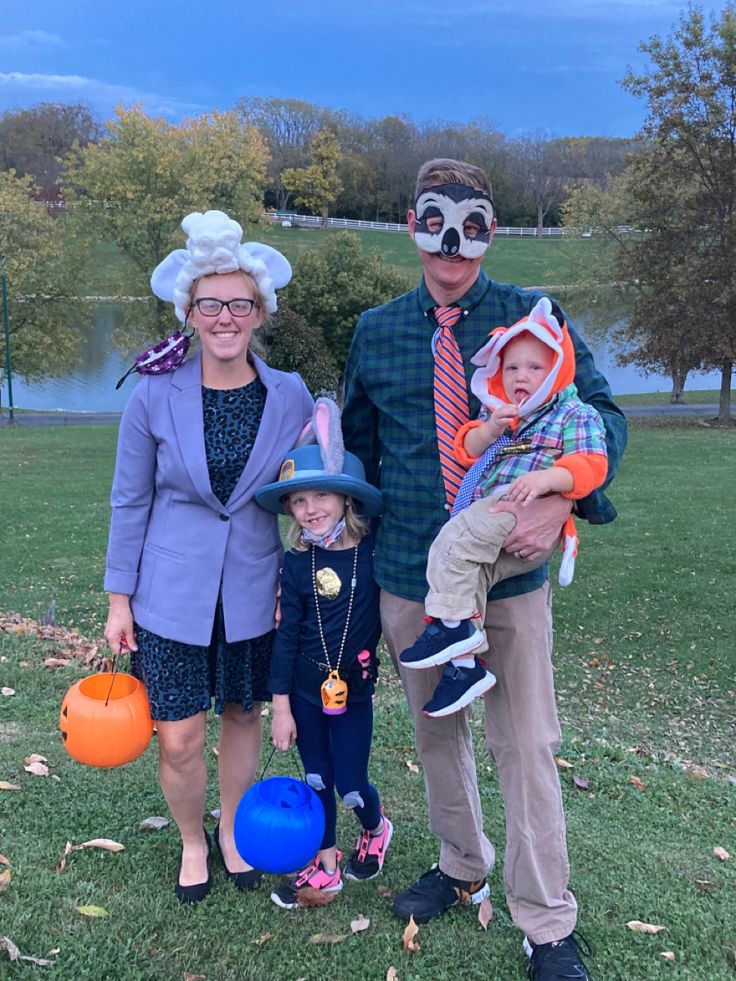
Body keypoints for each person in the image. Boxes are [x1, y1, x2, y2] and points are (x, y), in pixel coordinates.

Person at [342, 159, 627, 980]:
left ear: (490, 231)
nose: (451, 242)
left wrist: (563, 502)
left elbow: (601, 417)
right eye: (436, 221)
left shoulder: (533, 321)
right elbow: (359, 448)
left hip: (510, 573)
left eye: (469, 224)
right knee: (436, 732)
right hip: (408, 574)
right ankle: (462, 861)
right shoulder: (377, 330)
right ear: (412, 224)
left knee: (526, 744)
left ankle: (546, 922)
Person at [103, 210, 313, 905]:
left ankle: (231, 831)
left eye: (240, 303)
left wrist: (299, 572)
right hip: (170, 594)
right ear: (190, 311)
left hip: (254, 587)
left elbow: (304, 500)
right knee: (181, 736)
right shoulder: (152, 396)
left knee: (244, 715)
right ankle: (194, 839)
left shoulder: (289, 396)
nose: (226, 315)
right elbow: (129, 501)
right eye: (211, 303)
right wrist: (119, 598)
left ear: (260, 312)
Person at [400, 296, 608, 718]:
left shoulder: (573, 413)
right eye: (512, 368)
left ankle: (451, 627)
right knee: (472, 572)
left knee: (451, 544)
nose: (522, 377)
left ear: (556, 368)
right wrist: (490, 427)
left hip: (523, 505)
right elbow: (467, 449)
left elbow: (591, 464)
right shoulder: (506, 417)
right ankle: (465, 667)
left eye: (535, 367)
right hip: (498, 513)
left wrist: (548, 481)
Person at [255, 398, 393, 909]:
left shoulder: (374, 552)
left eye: (321, 495)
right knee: (316, 778)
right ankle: (326, 864)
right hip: (305, 693)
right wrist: (282, 706)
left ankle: (376, 829)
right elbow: (285, 638)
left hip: (353, 694)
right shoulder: (296, 564)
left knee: (351, 784)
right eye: (298, 501)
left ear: (346, 498)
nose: (310, 509)